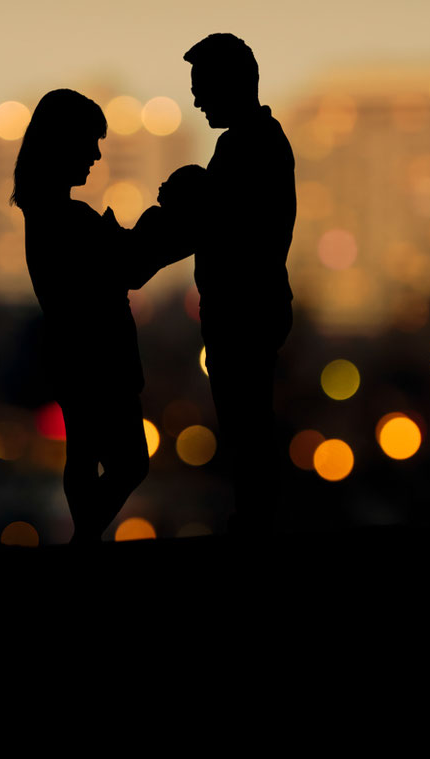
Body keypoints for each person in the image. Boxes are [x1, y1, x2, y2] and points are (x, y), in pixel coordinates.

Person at [11, 88, 186, 544]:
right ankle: (84, 540)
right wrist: (172, 221)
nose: (95, 154)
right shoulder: (67, 220)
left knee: (85, 454)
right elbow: (129, 264)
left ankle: (83, 540)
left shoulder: (47, 215)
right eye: (89, 140)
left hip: (72, 353)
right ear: (62, 143)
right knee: (129, 462)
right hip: (98, 355)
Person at [163, 33, 296, 536]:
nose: (195, 100)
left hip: (245, 309)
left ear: (230, 84)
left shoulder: (248, 146)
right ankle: (255, 515)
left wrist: (190, 194)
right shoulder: (250, 143)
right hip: (246, 306)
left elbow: (223, 221)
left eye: (202, 87)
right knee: (245, 419)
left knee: (246, 421)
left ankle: (257, 520)